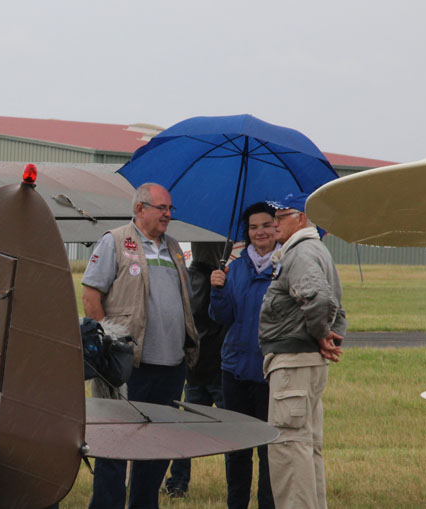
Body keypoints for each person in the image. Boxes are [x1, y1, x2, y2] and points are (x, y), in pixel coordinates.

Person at [82, 182, 199, 509]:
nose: (168, 214)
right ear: (139, 209)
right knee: (116, 445)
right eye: (162, 208)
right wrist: (108, 349)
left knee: (157, 446)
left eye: (170, 209)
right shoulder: (115, 241)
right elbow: (91, 297)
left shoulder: (174, 248)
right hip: (128, 368)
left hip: (171, 368)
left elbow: (183, 301)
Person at [258, 193, 346, 509]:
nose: (274, 223)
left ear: (302, 219)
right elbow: (338, 309)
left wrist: (320, 334)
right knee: (306, 448)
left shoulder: (301, 252)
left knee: (289, 450)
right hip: (304, 363)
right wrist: (327, 337)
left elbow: (320, 298)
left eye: (281, 216)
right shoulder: (316, 250)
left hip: (293, 365)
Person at [209, 202, 279, 509]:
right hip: (235, 371)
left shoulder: (286, 268)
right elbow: (221, 316)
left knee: (269, 448)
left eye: (266, 225)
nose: (259, 232)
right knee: (237, 447)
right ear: (246, 232)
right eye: (253, 227)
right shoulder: (235, 268)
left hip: (270, 372)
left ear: (277, 227)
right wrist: (217, 290)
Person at [164, 242, 228, 499]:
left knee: (186, 429)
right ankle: (235, 483)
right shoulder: (215, 280)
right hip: (217, 367)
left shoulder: (186, 279)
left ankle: (178, 482)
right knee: (234, 431)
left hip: (194, 367)